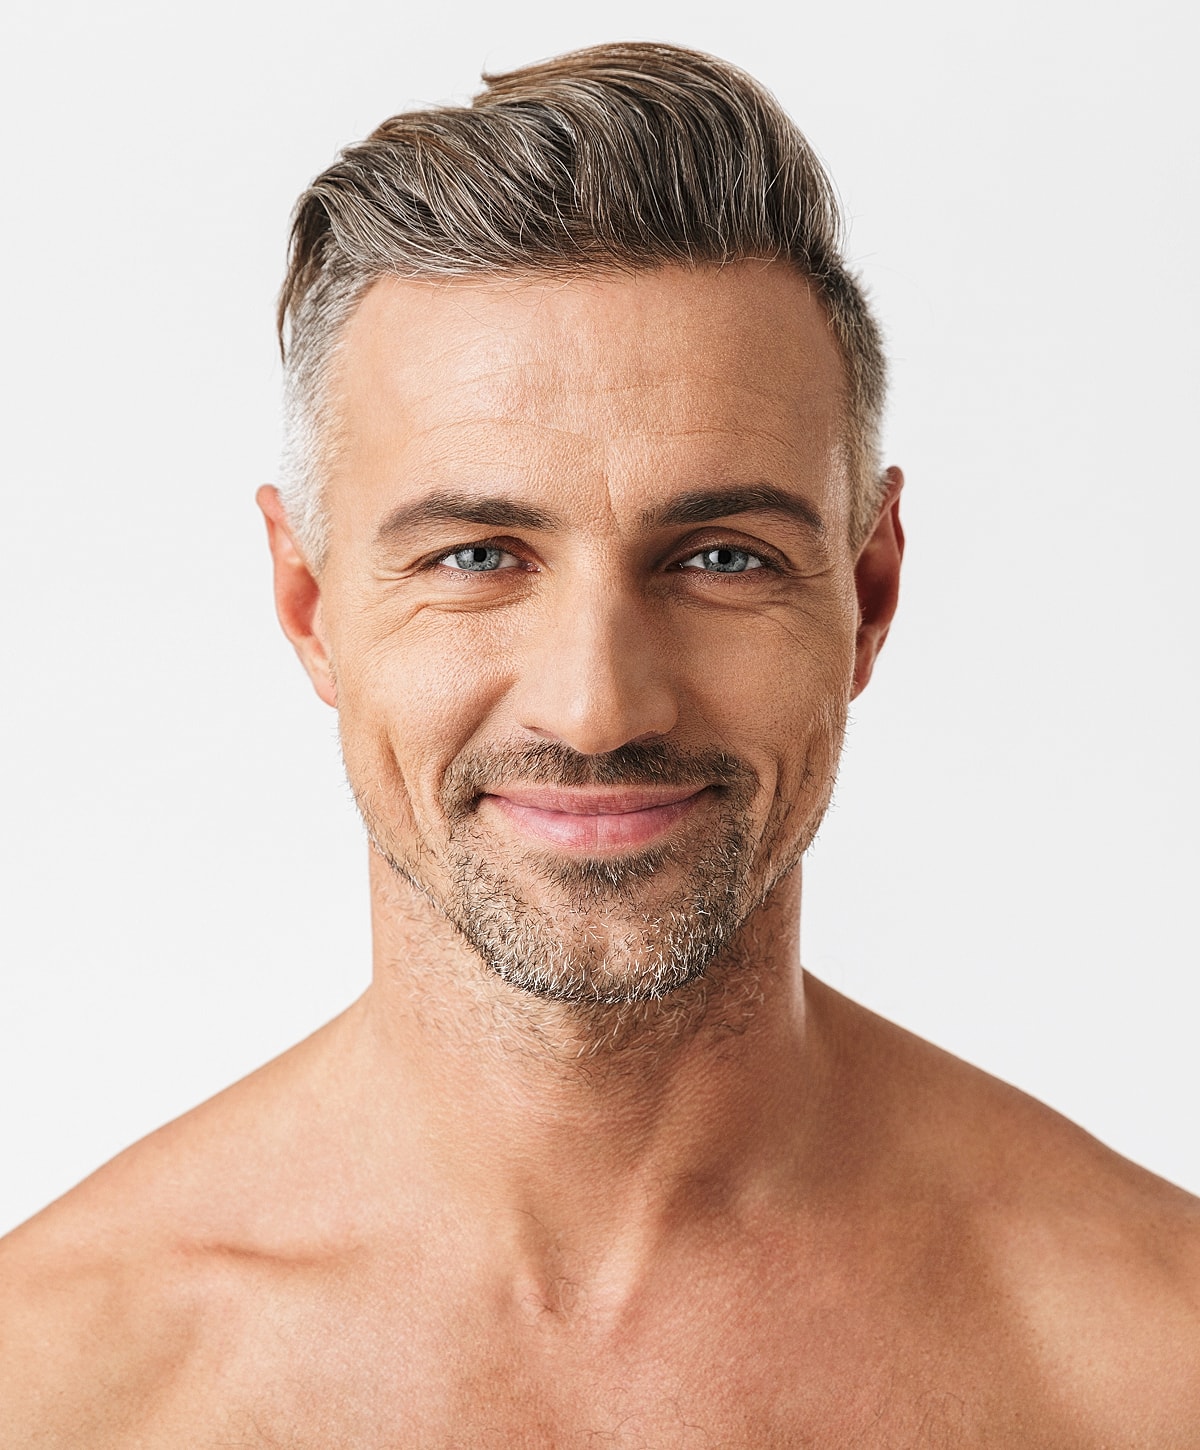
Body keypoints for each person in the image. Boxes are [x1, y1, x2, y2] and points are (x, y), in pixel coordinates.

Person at [2, 39, 1197, 1447]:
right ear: (310, 602)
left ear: (868, 595)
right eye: (477, 554)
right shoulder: (58, 1383)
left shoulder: (1147, 1360)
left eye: (720, 556)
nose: (597, 706)